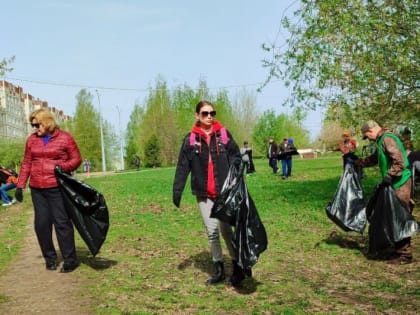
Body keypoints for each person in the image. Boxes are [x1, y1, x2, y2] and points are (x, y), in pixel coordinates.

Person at [173, 100, 247, 287]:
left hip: (224, 193)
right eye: (205, 113)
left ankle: (238, 265)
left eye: (212, 113)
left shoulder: (223, 134)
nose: (209, 117)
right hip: (203, 194)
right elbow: (183, 166)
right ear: (197, 115)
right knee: (212, 232)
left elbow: (236, 156)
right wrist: (177, 190)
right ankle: (219, 269)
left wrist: (237, 177)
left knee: (225, 230)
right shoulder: (190, 139)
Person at [14, 109, 82, 272]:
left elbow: (76, 159)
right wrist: (20, 185)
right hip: (37, 189)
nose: (34, 128)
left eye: (37, 124)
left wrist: (61, 167)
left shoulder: (65, 138)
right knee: (41, 224)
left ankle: (70, 260)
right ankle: (50, 258)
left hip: (57, 187)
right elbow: (27, 163)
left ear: (47, 122)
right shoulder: (31, 140)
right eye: (32, 125)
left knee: (62, 223)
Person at [355, 120, 413, 264]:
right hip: (394, 182)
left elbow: (400, 162)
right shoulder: (382, 139)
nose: (367, 138)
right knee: (392, 215)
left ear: (371, 130)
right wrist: (359, 161)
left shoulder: (387, 138)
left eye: (366, 135)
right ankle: (396, 249)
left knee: (400, 216)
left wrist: (389, 176)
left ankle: (405, 255)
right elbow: (375, 158)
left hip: (400, 183)